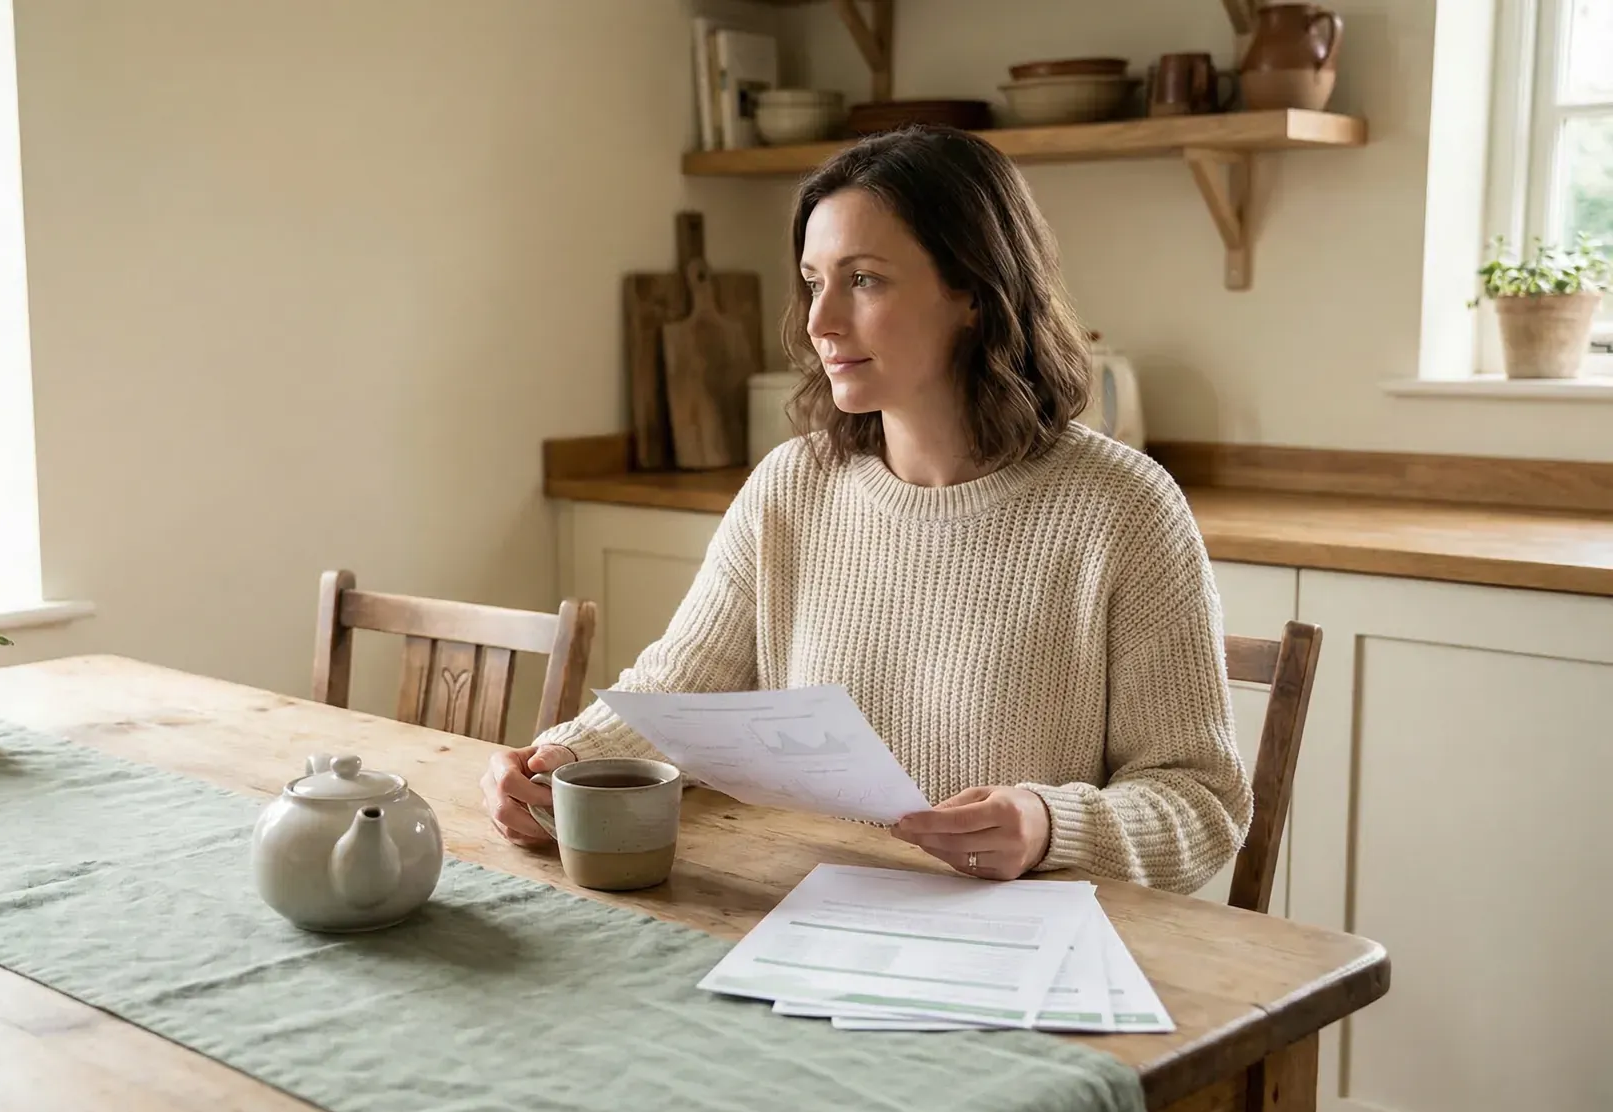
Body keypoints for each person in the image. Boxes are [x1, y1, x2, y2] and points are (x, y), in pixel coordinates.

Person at [482, 126, 1250, 894]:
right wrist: (558, 764)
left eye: (865, 280)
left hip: (1024, 950)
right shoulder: (791, 487)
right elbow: (677, 694)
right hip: (802, 921)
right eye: (815, 282)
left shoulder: (1125, 509)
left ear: (974, 293)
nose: (820, 322)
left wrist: (1049, 826)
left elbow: (1202, 800)